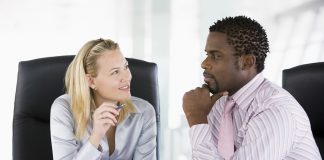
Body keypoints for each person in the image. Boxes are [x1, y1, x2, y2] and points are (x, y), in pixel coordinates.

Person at [182, 16, 321, 160]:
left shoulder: (275, 111)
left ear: (247, 62)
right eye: (207, 54)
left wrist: (196, 117)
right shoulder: (219, 103)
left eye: (216, 56)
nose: (204, 63)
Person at [50, 38, 157, 160]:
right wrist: (96, 137)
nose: (127, 77)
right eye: (115, 72)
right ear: (91, 81)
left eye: (125, 67)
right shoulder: (64, 109)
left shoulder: (144, 112)